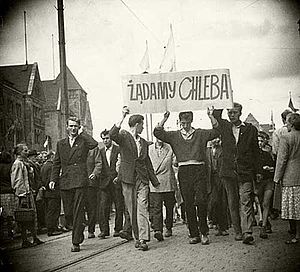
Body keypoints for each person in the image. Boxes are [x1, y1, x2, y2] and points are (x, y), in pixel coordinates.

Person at [154, 109, 219, 245]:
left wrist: (211, 116)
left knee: (201, 201)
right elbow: (158, 132)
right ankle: (194, 234)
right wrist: (164, 118)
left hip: (199, 169)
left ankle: (204, 232)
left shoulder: (200, 133)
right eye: (183, 123)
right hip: (184, 170)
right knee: (188, 203)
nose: (185, 126)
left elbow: (216, 131)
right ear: (179, 122)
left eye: (187, 123)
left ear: (191, 121)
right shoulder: (174, 136)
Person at [109, 107, 159, 251]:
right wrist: (122, 116)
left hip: (142, 179)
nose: (143, 127)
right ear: (137, 124)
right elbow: (113, 134)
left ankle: (143, 238)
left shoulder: (143, 142)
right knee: (132, 210)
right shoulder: (124, 136)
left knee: (142, 207)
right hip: (128, 179)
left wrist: (154, 180)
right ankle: (137, 237)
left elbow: (147, 162)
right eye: (142, 124)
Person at [211, 102, 260, 244]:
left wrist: (258, 171)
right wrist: (223, 100)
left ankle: (247, 232)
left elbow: (255, 152)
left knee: (245, 201)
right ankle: (238, 231)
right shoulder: (225, 127)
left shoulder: (250, 129)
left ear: (240, 113)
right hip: (227, 172)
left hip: (245, 171)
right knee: (232, 202)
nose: (231, 115)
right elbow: (216, 115)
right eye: (229, 112)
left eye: (234, 112)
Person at [50, 117, 98, 252]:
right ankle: (80, 226)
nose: (73, 129)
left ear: (79, 128)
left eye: (76, 126)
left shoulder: (83, 141)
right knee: (69, 212)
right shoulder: (61, 143)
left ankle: (75, 241)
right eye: (71, 126)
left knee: (77, 211)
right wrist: (53, 179)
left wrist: (83, 133)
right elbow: (56, 162)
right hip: (65, 181)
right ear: (66, 127)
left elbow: (94, 144)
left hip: (79, 181)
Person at [10, 144, 44, 248]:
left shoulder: (25, 163)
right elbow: (17, 180)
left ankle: (34, 237)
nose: (27, 152)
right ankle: (25, 240)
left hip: (28, 193)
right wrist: (22, 195)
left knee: (31, 216)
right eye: (25, 150)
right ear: (19, 152)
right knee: (24, 217)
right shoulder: (18, 164)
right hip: (23, 195)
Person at [274, 113, 300, 244]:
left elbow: (282, 159)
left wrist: (277, 177)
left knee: (293, 208)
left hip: (290, 176)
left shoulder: (285, 137)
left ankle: (295, 235)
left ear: (290, 123)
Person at [98, 129, 125, 239]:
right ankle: (104, 230)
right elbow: (99, 166)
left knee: (119, 206)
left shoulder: (118, 149)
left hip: (116, 183)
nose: (105, 141)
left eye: (107, 138)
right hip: (105, 184)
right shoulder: (100, 152)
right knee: (104, 206)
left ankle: (118, 229)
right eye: (103, 139)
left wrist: (118, 177)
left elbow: (122, 164)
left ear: (111, 138)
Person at [149, 138, 177, 240]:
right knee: (156, 207)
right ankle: (158, 230)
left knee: (169, 207)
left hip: (167, 182)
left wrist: (176, 162)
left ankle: (169, 227)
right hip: (154, 182)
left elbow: (175, 161)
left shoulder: (170, 148)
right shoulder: (149, 149)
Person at [206, 138, 229, 236]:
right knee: (213, 201)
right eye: (213, 138)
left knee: (222, 202)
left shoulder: (223, 149)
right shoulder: (206, 150)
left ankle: (222, 227)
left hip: (221, 178)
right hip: (210, 179)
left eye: (217, 138)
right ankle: (213, 221)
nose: (215, 140)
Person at [256, 131, 275, 239]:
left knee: (266, 203)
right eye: (257, 141)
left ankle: (263, 227)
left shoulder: (267, 154)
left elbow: (274, 167)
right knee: (260, 202)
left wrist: (269, 168)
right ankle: (266, 221)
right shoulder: (253, 156)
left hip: (268, 180)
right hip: (258, 182)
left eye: (261, 141)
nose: (259, 143)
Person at [40, 151, 63, 237]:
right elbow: (52, 179)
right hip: (53, 192)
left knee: (49, 211)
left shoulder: (44, 166)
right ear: (52, 157)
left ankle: (52, 228)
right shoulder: (52, 167)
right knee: (53, 211)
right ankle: (51, 229)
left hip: (47, 193)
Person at [86, 146, 102, 238]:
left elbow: (98, 163)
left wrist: (95, 173)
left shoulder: (94, 149)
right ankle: (78, 231)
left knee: (91, 207)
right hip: (77, 183)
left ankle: (91, 230)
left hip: (90, 183)